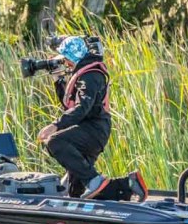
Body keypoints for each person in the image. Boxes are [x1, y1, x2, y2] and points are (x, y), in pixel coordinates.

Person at [36, 36, 147, 201]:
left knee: (54, 141)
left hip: (94, 130)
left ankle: (94, 180)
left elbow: (82, 109)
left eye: (66, 59)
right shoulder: (85, 73)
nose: (65, 63)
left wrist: (55, 125)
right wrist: (58, 81)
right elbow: (70, 106)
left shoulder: (91, 75)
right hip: (89, 130)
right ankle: (129, 184)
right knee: (75, 192)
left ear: (74, 56)